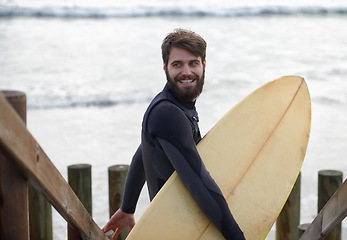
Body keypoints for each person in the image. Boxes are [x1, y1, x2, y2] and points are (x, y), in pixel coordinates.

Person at [102, 28, 245, 240]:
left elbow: (144, 152)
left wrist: (128, 207)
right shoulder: (168, 113)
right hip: (181, 232)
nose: (186, 72)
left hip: (182, 227)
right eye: (177, 64)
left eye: (193, 63)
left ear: (204, 65)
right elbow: (199, 184)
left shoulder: (174, 106)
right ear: (165, 68)